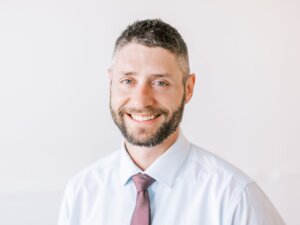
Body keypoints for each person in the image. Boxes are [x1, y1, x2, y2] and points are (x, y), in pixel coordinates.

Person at [58, 19, 285, 225]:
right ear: (110, 82)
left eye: (160, 83)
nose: (141, 101)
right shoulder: (81, 194)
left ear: (188, 88)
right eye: (128, 80)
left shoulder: (234, 198)